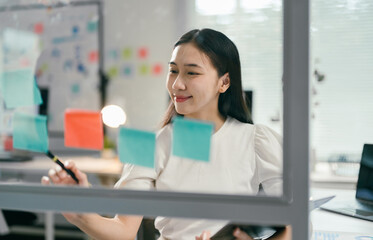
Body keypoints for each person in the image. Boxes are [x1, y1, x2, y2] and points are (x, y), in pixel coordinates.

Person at [42, 28, 290, 240]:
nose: (177, 84)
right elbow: (124, 231)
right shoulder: (152, 144)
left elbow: (298, 224)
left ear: (224, 82)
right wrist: (80, 214)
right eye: (173, 71)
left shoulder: (255, 140)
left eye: (191, 72)